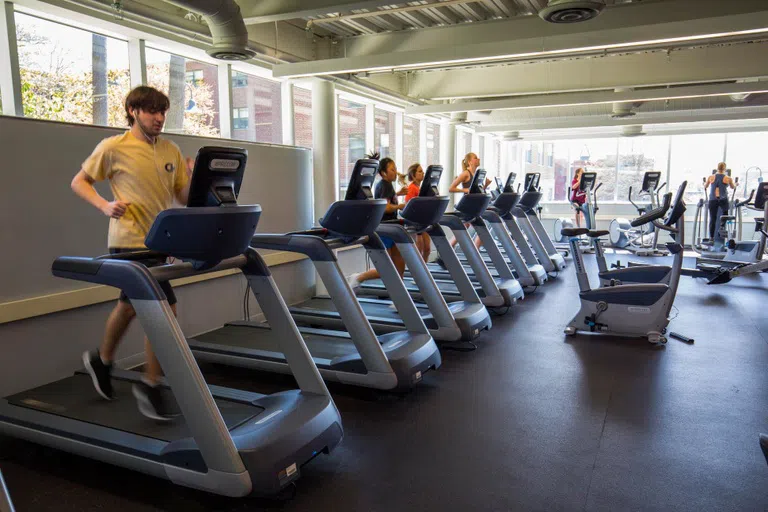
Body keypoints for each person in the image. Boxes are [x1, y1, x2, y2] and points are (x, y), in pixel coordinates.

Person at [71, 86, 193, 421]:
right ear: (133, 111)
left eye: (162, 112)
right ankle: (150, 384)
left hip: (160, 242)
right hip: (128, 241)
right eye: (152, 111)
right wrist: (105, 205)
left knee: (129, 307)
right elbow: (79, 182)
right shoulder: (114, 147)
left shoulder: (170, 149)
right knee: (164, 311)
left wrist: (196, 176)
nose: (159, 118)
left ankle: (102, 360)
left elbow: (183, 197)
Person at [346, 153, 409, 290]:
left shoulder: (387, 186)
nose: (395, 171)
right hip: (385, 228)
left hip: (393, 228)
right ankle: (358, 277)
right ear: (383, 173)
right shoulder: (384, 185)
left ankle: (399, 295)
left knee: (399, 264)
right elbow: (386, 208)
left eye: (395, 168)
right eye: (392, 169)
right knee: (387, 266)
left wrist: (397, 194)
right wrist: (401, 206)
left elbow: (385, 200)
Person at [447, 152, 491, 250]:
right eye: (475, 158)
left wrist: (485, 186)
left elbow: (476, 191)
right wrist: (465, 190)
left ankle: (448, 250)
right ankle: (475, 252)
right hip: (467, 206)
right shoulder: (465, 174)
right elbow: (451, 188)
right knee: (482, 230)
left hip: (474, 206)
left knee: (463, 229)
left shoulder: (476, 174)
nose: (478, 159)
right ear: (470, 162)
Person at [404, 163, 431, 262]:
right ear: (413, 175)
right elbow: (408, 205)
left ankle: (424, 270)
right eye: (420, 171)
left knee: (427, 249)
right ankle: (420, 271)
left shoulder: (420, 188)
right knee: (420, 250)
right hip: (415, 221)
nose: (423, 173)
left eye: (422, 171)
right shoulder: (412, 188)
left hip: (422, 219)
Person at [704, 162, 736, 240]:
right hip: (723, 199)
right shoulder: (728, 178)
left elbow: (706, 186)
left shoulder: (711, 177)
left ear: (717, 168)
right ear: (725, 169)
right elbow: (733, 187)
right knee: (725, 215)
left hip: (713, 199)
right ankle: (721, 227)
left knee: (712, 218)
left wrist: (704, 183)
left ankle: (711, 237)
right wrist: (736, 184)